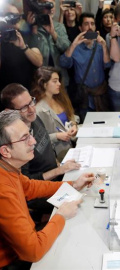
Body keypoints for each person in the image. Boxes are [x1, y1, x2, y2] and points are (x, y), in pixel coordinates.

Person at [0, 110, 95, 270]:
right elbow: (33, 251)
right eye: (24, 139)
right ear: (5, 151)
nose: (33, 141)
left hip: (24, 244)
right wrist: (61, 215)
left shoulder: (9, 167)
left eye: (29, 134)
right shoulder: (3, 191)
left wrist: (73, 184)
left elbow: (30, 187)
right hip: (12, 261)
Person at [60, 12, 111, 121]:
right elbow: (64, 63)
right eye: (86, 24)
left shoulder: (100, 45)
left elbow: (107, 64)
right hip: (83, 97)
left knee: (103, 125)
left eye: (92, 24)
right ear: (80, 27)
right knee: (86, 126)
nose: (90, 27)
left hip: (100, 94)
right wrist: (73, 44)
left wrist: (104, 46)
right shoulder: (75, 48)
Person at [31, 66, 78, 162]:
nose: (59, 84)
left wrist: (74, 124)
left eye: (59, 80)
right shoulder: (38, 110)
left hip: (72, 146)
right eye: (55, 81)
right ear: (44, 84)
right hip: (57, 155)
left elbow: (72, 116)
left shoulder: (60, 98)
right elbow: (37, 139)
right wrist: (57, 136)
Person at [0, 4, 43, 99]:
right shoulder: (1, 38)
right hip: (7, 96)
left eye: (17, 15)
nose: (15, 18)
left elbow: (39, 61)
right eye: (10, 15)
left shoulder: (27, 35)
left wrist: (24, 47)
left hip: (28, 93)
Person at [37, 0, 70, 87]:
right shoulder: (34, 28)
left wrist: (53, 34)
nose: (51, 9)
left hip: (60, 77)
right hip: (41, 79)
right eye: (48, 6)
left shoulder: (59, 26)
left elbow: (67, 49)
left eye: (53, 6)